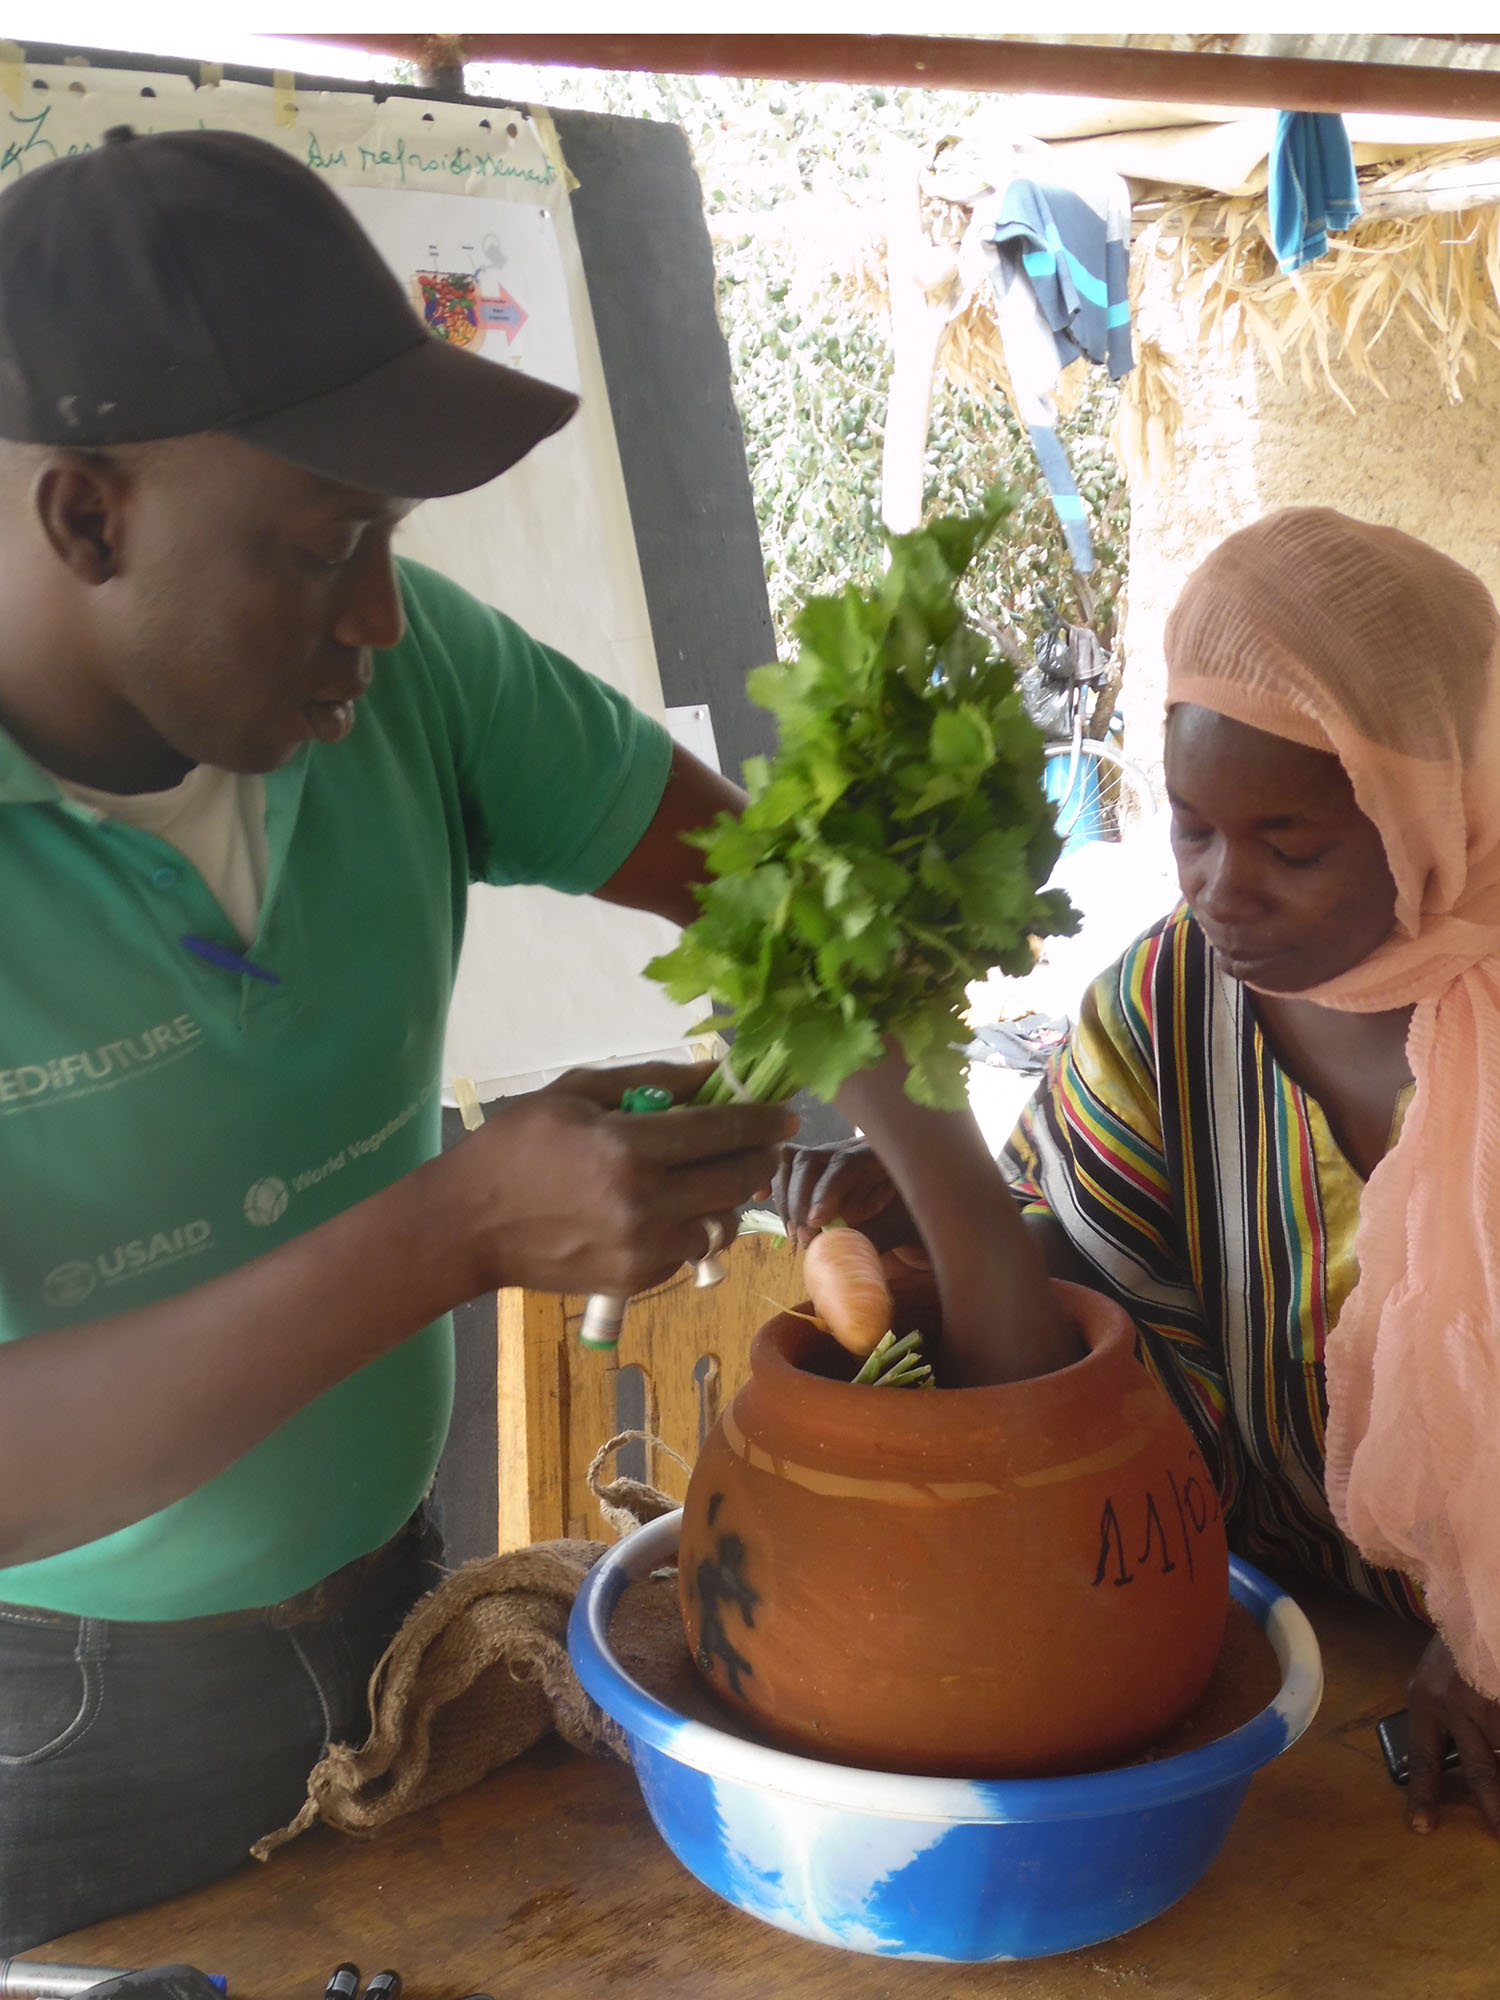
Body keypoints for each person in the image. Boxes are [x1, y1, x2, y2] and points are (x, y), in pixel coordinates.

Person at [0, 126, 797, 1949]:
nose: (379, 612)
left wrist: (860, 1144)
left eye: (393, 538)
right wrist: (455, 1229)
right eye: (318, 543)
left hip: (400, 1617)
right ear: (87, 515)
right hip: (52, 1726)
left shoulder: (401, 670)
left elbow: (774, 890)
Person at [777, 506, 1500, 1843]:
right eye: (1190, 830)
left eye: (1292, 846)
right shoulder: (1171, 1002)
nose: (1224, 888)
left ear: (1436, 809)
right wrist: (926, 1223)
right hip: (1281, 1647)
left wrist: (1485, 1639)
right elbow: (1069, 1277)